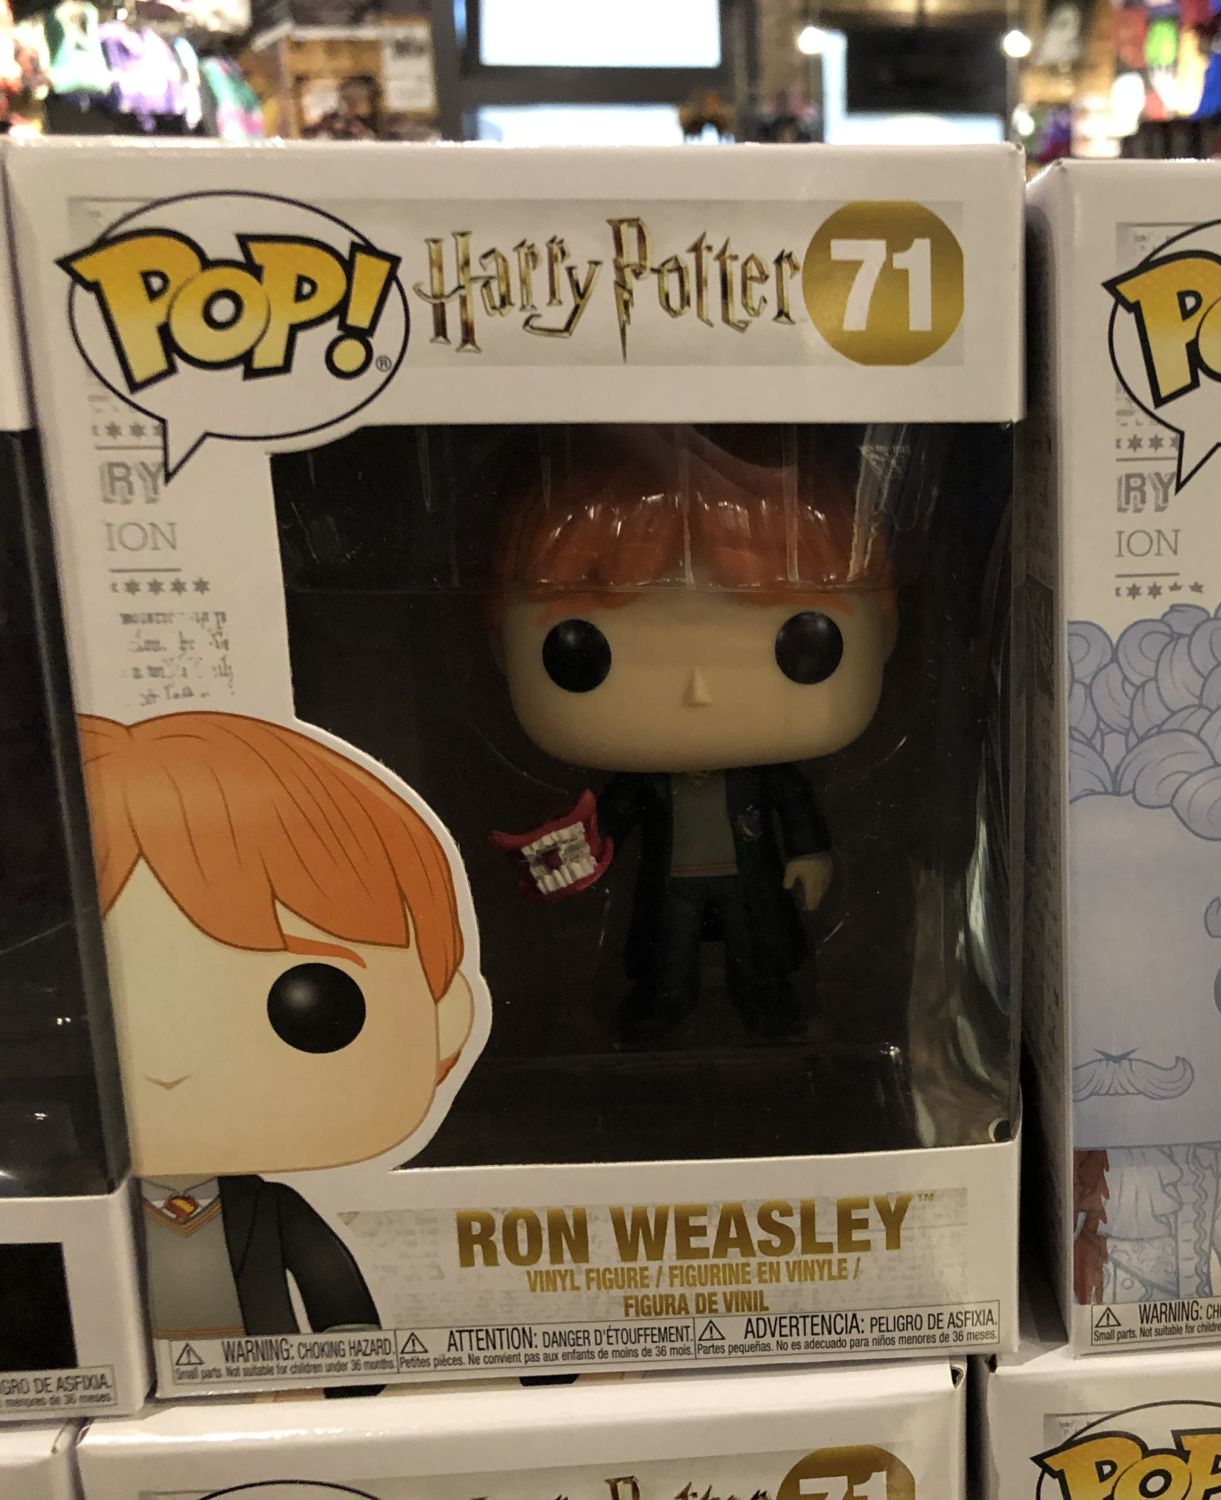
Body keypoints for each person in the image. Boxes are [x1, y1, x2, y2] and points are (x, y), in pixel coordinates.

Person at [80, 712, 477, 1342]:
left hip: (269, 1380)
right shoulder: (90, 1217)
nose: (168, 1062)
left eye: (309, 1004)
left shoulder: (272, 1210)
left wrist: (352, 1357)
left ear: (446, 1018)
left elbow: (334, 1291)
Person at [492, 428, 895, 1045]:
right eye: (580, 652)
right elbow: (611, 818)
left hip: (747, 880)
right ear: (502, 647)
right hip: (672, 885)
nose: (698, 689)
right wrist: (575, 854)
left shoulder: (762, 774)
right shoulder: (646, 781)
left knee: (756, 949)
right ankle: (662, 1004)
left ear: (883, 636)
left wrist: (809, 855)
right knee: (667, 953)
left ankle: (767, 1003)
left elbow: (794, 804)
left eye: (804, 643)